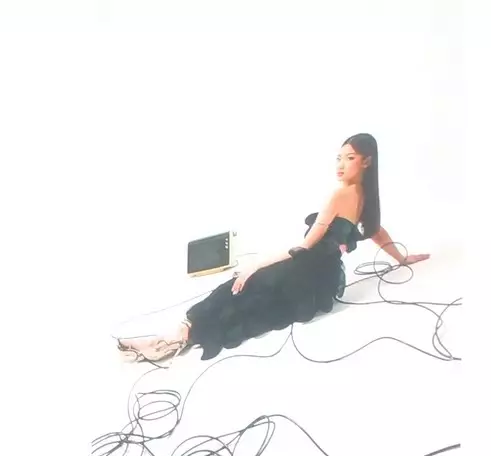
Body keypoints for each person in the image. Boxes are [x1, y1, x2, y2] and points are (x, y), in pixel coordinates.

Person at [119, 134, 430, 362]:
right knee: (250, 298)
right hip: (324, 280)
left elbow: (304, 246)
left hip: (306, 271)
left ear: (367, 161)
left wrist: (256, 265)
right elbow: (377, 232)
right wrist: (401, 258)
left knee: (238, 287)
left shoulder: (340, 195)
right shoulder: (364, 197)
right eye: (338, 157)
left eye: (349, 158)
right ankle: (179, 336)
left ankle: (176, 338)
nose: (340, 165)